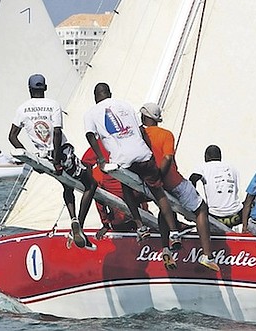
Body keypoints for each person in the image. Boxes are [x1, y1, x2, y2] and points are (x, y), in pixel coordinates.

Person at [84, 83, 181, 251]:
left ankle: (140, 226)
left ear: (95, 96)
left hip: (123, 162)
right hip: (143, 156)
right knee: (159, 192)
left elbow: (89, 137)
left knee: (126, 189)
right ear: (110, 93)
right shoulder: (126, 106)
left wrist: (100, 158)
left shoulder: (93, 116)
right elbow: (140, 131)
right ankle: (174, 232)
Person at [9, 74, 97, 250]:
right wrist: (57, 160)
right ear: (45, 88)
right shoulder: (53, 105)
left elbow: (12, 137)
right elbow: (56, 133)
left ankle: (73, 220)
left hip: (43, 158)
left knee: (67, 185)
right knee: (91, 184)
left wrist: (34, 159)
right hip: (61, 155)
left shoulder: (22, 109)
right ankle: (78, 222)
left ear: (29, 89)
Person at [139, 103, 219, 272]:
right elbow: (168, 158)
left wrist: (155, 181)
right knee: (201, 208)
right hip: (172, 180)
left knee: (164, 207)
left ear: (144, 117)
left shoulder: (139, 135)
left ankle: (166, 248)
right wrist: (160, 176)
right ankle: (207, 255)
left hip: (150, 183)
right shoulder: (166, 134)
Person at [81, 139, 151, 240]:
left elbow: (99, 201)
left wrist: (105, 223)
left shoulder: (96, 174)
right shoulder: (127, 142)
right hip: (140, 212)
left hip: (120, 221)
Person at [189, 145, 242, 229]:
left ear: (207, 156)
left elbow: (193, 179)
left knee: (197, 208)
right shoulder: (232, 167)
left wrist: (193, 200)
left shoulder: (203, 167)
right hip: (237, 216)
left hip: (215, 216)